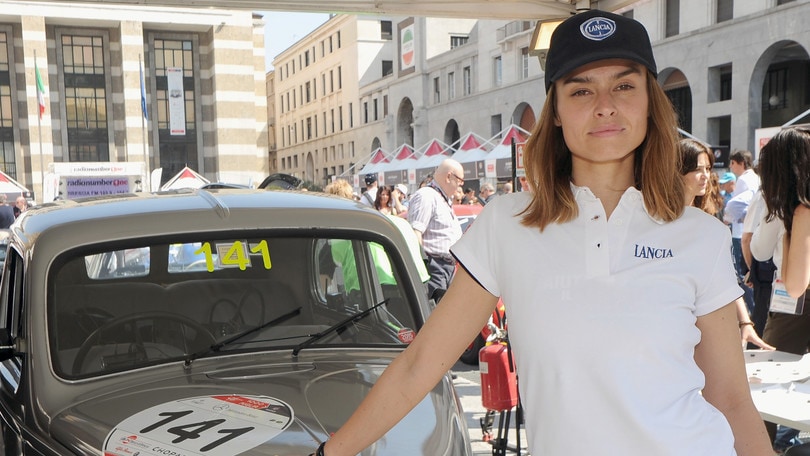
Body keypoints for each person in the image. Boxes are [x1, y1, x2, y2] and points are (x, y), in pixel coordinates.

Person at [311, 10, 772, 456]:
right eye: (581, 90)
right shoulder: (507, 224)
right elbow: (419, 366)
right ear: (554, 112)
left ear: (651, 101)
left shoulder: (700, 235)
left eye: (625, 85)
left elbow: (731, 399)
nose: (605, 105)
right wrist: (330, 454)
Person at [679, 138, 773, 350]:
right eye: (697, 169)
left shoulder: (709, 220)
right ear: (677, 170)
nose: (706, 176)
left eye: (708, 168)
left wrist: (745, 322)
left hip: (709, 319)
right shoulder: (657, 220)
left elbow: (727, 277)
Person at [751, 127, 810, 453]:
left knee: (769, 378)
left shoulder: (799, 211)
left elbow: (795, 283)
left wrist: (786, 229)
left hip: (795, 305)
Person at [406, 158, 463, 302]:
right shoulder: (426, 196)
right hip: (433, 266)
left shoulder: (441, 198)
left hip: (445, 267)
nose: (461, 185)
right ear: (449, 176)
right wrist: (423, 266)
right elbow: (415, 233)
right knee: (437, 315)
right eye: (460, 180)